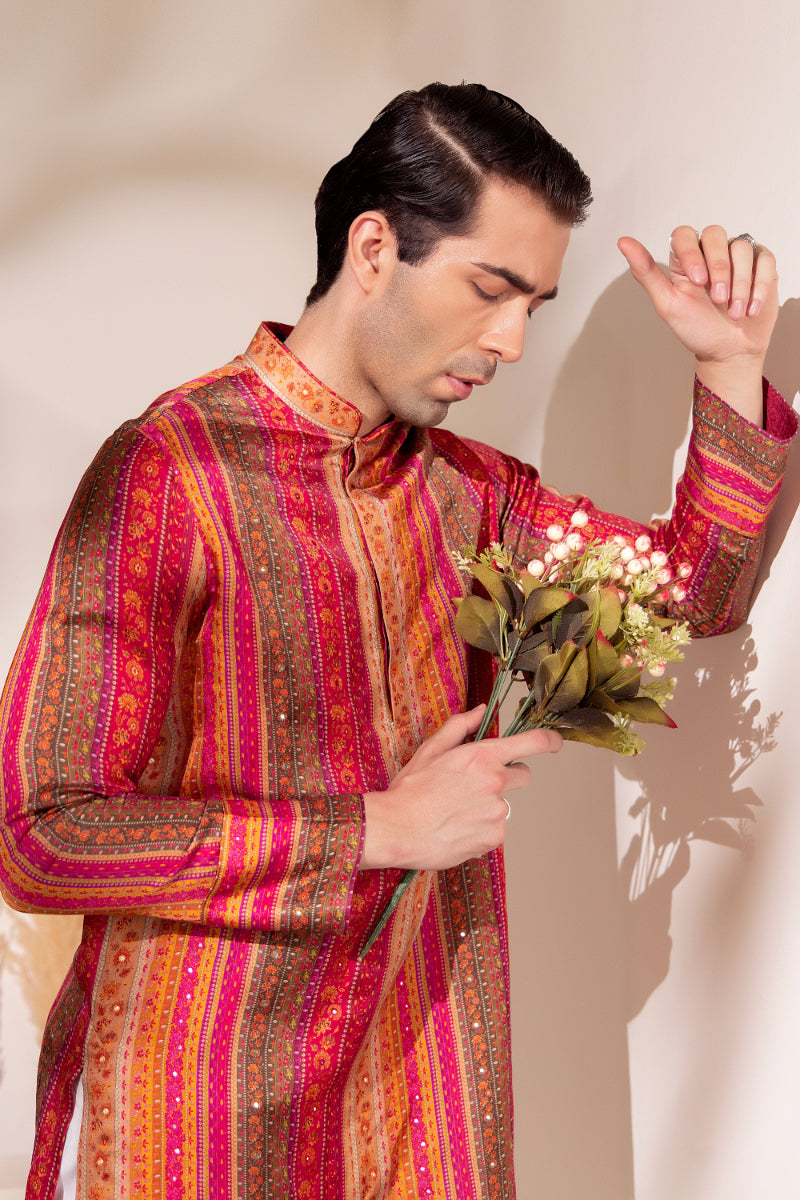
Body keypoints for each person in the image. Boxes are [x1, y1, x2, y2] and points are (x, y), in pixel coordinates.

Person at [0, 82, 795, 1200]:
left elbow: (690, 597)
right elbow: (43, 834)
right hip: (200, 1108)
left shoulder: (474, 494)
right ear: (373, 248)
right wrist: (376, 828)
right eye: (489, 289)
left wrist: (726, 367)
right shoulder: (172, 470)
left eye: (534, 306)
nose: (509, 342)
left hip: (423, 1083)